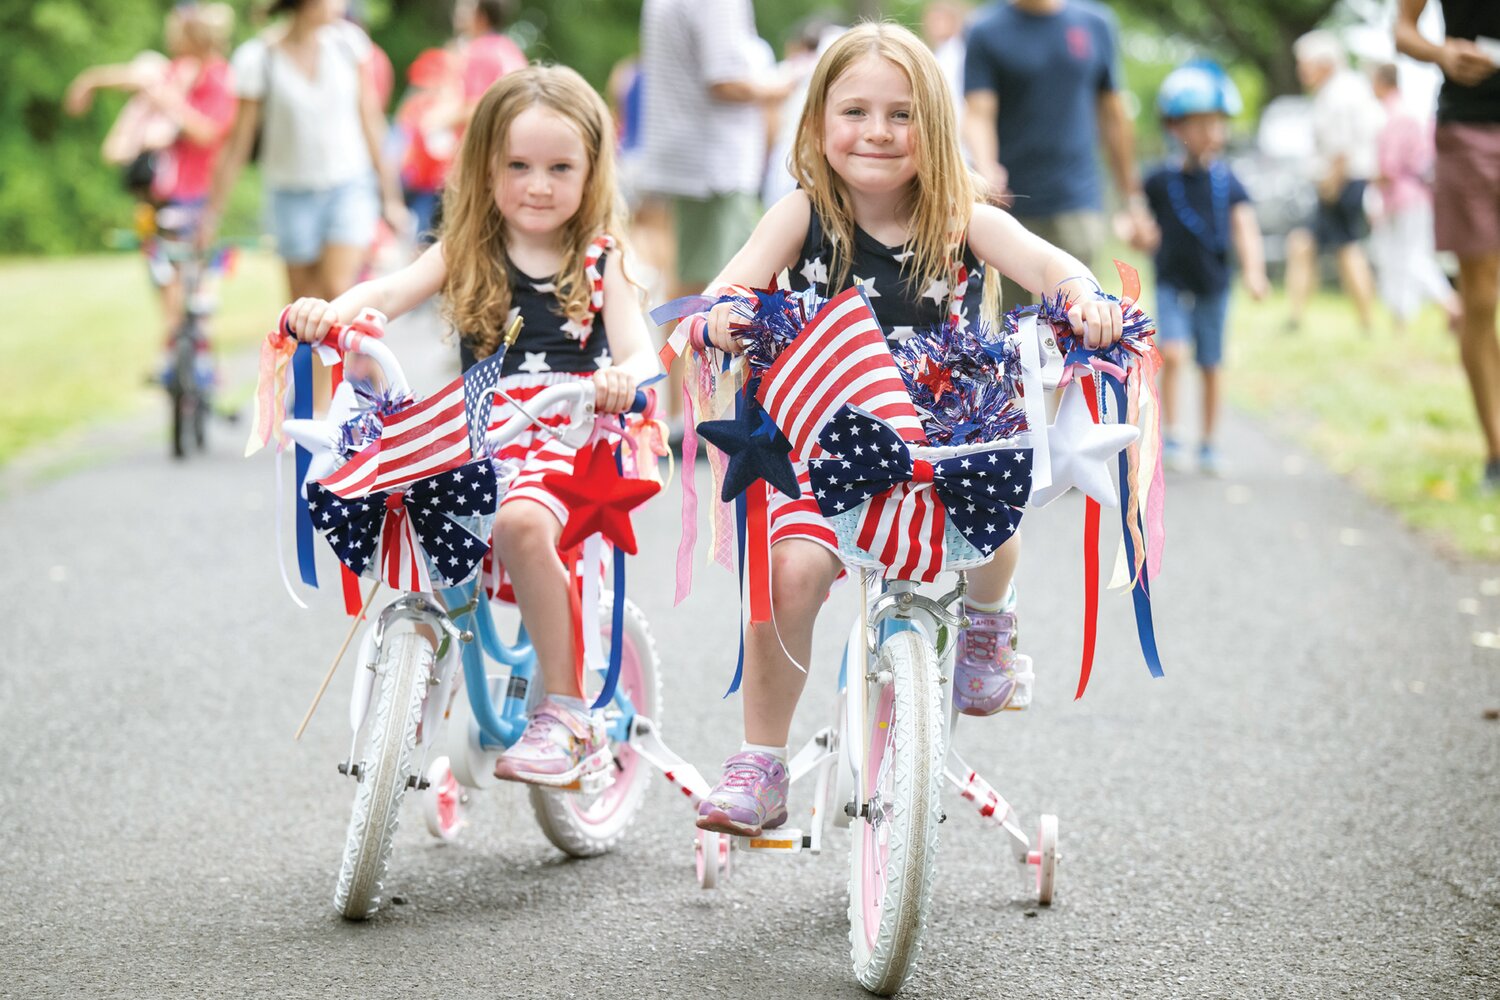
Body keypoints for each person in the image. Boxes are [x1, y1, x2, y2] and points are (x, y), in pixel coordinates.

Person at [691, 23, 1125, 837]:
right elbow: (726, 287)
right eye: (855, 110)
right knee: (790, 575)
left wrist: (1082, 296)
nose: (879, 132)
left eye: (902, 114)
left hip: (939, 430)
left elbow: (1046, 262)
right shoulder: (802, 215)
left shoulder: (960, 215)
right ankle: (760, 759)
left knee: (995, 508)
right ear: (819, 122)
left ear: (936, 125)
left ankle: (990, 627)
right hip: (821, 435)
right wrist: (725, 316)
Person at [281, 66, 660, 786]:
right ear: (485, 168)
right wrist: (332, 313)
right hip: (481, 435)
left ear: (591, 170)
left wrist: (623, 379)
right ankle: (426, 673)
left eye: (559, 167)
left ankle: (570, 711)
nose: (538, 184)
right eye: (517, 166)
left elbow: (640, 350)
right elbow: (388, 293)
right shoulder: (468, 250)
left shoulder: (602, 260)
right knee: (412, 503)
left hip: (570, 434)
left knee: (520, 526)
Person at [640, 0, 792, 436]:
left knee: (696, 281)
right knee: (713, 287)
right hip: (714, 164)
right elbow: (725, 80)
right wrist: (785, 82)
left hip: (691, 159)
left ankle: (683, 410)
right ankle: (689, 414)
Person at [200, 0, 406, 306]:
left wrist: (391, 197)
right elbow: (239, 143)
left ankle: (349, 351)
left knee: (338, 289)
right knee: (305, 303)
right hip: (290, 193)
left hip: (348, 185)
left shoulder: (349, 44)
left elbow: (371, 123)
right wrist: (213, 213)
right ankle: (320, 355)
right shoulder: (258, 58)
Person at [962, 0, 1152, 311]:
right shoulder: (985, 30)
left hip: (1077, 202)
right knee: (1011, 332)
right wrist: (986, 167)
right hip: (1008, 209)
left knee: (1081, 319)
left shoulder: (1096, 24)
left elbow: (1114, 118)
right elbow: (978, 113)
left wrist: (1132, 199)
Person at [64, 3, 238, 342]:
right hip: (165, 191)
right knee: (161, 268)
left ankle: (193, 348)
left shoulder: (220, 78)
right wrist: (91, 81)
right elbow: (133, 77)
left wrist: (169, 103)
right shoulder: (177, 71)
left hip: (201, 192)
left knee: (196, 278)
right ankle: (172, 343)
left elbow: (208, 132)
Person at [1142, 61, 1268, 477]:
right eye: (1200, 124)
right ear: (1176, 128)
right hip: (1172, 281)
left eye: (1217, 123)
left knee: (1211, 362)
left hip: (1214, 284)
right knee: (1174, 354)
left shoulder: (1228, 180)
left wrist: (1254, 270)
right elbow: (1137, 218)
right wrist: (1133, 231)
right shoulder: (1160, 180)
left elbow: (1244, 225)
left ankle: (1210, 443)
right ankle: (1172, 433)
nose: (1212, 132)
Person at [1396, 0, 1500, 491]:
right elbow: (1403, 30)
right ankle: (1497, 451)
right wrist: (1442, 53)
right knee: (1481, 300)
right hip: (1469, 128)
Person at [1283, 31, 1383, 335]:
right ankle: (1297, 317)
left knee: (1346, 249)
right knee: (1306, 245)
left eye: (1305, 63)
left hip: (1339, 183)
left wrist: (1330, 186)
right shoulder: (1344, 88)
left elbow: (1341, 149)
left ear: (1324, 64)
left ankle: (1366, 320)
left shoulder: (1338, 94)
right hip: (1341, 181)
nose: (1301, 71)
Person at [1368, 62, 1461, 335]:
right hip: (1409, 197)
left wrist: (1368, 180)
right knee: (1399, 259)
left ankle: (1451, 304)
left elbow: (1389, 167)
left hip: (1406, 198)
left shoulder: (1397, 116)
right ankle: (1402, 319)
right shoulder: (1403, 113)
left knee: (1412, 258)